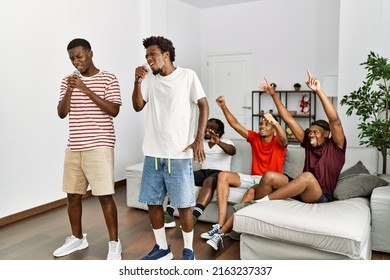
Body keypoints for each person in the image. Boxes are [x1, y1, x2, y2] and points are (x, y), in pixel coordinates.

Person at [210, 71, 347, 251]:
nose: (311, 134)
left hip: (320, 195)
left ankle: (258, 203)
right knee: (269, 177)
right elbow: (288, 119)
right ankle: (230, 228)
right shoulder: (307, 142)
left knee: (306, 176)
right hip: (302, 189)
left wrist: (318, 91)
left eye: (315, 132)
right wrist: (273, 95)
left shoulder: (336, 146)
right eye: (310, 131)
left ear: (326, 134)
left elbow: (334, 120)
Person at [132, 36, 209, 260]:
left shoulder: (187, 76)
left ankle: (188, 251)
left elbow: (203, 105)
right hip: (153, 153)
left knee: (184, 206)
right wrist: (137, 81)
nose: (149, 59)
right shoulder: (149, 79)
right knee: (153, 203)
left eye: (152, 55)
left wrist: (198, 139)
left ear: (166, 54)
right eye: (146, 56)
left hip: (178, 154)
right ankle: (162, 249)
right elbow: (137, 106)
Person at [54, 38, 122, 260]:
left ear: (90, 53)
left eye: (79, 56)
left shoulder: (108, 78)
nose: (76, 61)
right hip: (74, 146)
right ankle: (77, 238)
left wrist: (85, 88)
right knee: (72, 196)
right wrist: (71, 90)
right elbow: (62, 113)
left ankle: (114, 244)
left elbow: (113, 110)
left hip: (100, 145)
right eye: (72, 58)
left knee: (104, 196)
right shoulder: (68, 81)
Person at [201, 95, 288, 243]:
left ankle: (226, 230)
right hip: (253, 177)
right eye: (261, 123)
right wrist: (223, 106)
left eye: (267, 124)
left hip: (268, 181)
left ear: (274, 128)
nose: (262, 126)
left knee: (251, 191)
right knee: (223, 175)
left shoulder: (279, 141)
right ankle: (220, 224)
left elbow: (284, 138)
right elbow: (235, 124)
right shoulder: (254, 138)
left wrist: (276, 122)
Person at [164, 118, 236, 228]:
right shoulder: (201, 142)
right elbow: (185, 148)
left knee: (209, 181)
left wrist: (218, 142)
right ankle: (169, 214)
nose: (207, 130)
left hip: (219, 174)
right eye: (207, 127)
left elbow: (232, 151)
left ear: (219, 132)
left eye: (211, 128)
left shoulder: (227, 142)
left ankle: (193, 217)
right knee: (182, 177)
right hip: (203, 171)